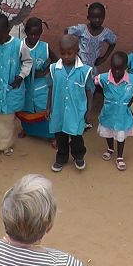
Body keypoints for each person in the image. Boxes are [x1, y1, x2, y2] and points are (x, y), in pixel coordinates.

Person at [0, 14, 33, 159]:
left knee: (7, 119)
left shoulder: (19, 45)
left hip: (11, 89)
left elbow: (28, 62)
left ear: (8, 30)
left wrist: (21, 76)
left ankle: (5, 145)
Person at [48, 35, 94, 172]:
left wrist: (89, 110)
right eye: (63, 53)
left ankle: (79, 156)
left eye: (70, 53)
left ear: (77, 51)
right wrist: (48, 107)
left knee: (76, 137)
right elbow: (51, 88)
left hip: (77, 111)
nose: (66, 56)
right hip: (58, 111)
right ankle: (61, 157)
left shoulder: (84, 71)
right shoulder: (53, 69)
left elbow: (89, 91)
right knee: (60, 137)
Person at [16, 17, 57, 146]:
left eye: (37, 34)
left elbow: (56, 60)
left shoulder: (45, 46)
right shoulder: (19, 45)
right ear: (26, 32)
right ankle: (27, 129)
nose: (34, 37)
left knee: (43, 108)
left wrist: (45, 72)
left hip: (41, 85)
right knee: (25, 108)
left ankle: (49, 134)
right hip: (25, 84)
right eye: (31, 34)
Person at [96, 52, 133, 172]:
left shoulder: (132, 79)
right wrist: (105, 96)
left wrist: (130, 101)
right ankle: (110, 149)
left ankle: (120, 156)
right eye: (114, 69)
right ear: (111, 66)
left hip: (122, 114)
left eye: (120, 70)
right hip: (108, 112)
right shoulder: (103, 78)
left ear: (125, 67)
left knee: (121, 136)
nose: (116, 72)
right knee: (107, 132)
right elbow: (96, 85)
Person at [65, 2, 117, 69]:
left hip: (93, 67)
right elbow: (67, 31)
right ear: (88, 17)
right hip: (79, 64)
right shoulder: (82, 29)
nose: (97, 20)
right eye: (94, 18)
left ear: (104, 17)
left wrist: (104, 58)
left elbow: (113, 43)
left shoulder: (106, 33)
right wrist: (72, 51)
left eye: (100, 17)